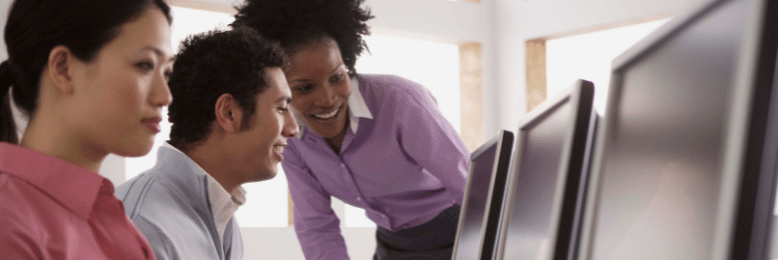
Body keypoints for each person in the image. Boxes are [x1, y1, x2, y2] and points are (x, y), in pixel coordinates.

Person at [233, 0, 471, 259]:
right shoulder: (291, 138)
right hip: (393, 244)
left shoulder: (401, 102)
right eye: (304, 88)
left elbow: (472, 186)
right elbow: (316, 226)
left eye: (337, 77)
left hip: (459, 231)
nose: (328, 99)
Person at [0, 0, 174, 259]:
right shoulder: (10, 225)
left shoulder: (105, 213)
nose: (165, 96)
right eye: (145, 65)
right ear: (63, 68)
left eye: (167, 72)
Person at [115, 27, 299, 260]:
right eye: (281, 108)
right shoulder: (141, 225)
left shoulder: (222, 218)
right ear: (229, 113)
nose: (293, 129)